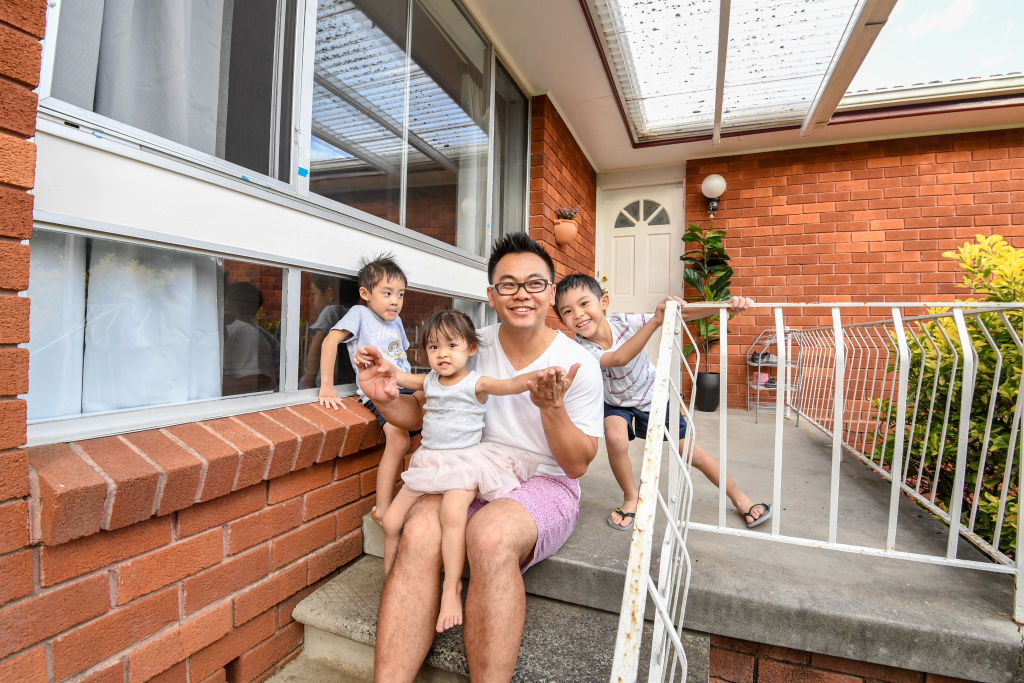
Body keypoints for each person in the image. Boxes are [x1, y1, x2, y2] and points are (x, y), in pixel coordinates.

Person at [357, 233, 603, 680]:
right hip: (468, 466)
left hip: (545, 479)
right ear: (491, 295)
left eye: (534, 283)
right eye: (508, 285)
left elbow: (577, 465)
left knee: (489, 535)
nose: (522, 294)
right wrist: (386, 398)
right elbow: (422, 417)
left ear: (550, 291)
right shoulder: (469, 343)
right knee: (420, 530)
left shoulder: (577, 363)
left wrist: (552, 410)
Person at [355, 309, 574, 633]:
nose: (442, 354)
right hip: (431, 460)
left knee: (452, 515)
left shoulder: (477, 382)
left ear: (471, 349)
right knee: (391, 521)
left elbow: (512, 384)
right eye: (433, 347)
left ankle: (451, 591)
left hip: (464, 463)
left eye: (452, 345)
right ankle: (393, 586)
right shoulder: (428, 381)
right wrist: (378, 365)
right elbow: (396, 375)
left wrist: (541, 376)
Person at [553, 273, 770, 531]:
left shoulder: (624, 322)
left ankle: (739, 497)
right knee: (615, 438)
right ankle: (631, 498)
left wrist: (725, 305)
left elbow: (677, 315)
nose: (577, 314)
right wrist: (655, 321)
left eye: (584, 304)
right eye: (567, 311)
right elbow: (618, 358)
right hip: (615, 402)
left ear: (604, 302)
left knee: (690, 453)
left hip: (651, 395)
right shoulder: (581, 349)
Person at [318, 254, 413, 525]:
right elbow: (329, 342)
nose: (395, 301)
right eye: (387, 293)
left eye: (401, 294)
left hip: (403, 386)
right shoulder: (360, 314)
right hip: (379, 392)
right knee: (399, 439)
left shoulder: (396, 321)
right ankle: (382, 507)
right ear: (365, 293)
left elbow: (402, 357)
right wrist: (327, 386)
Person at [222, 281, 280, 396]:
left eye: (225, 307)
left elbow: (257, 382)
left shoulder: (247, 334)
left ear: (232, 306)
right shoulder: (247, 331)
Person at [301, 275, 352, 390]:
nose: (312, 300)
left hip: (320, 385)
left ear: (330, 293)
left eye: (314, 293)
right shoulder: (355, 315)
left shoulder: (332, 311)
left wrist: (309, 378)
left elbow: (317, 347)